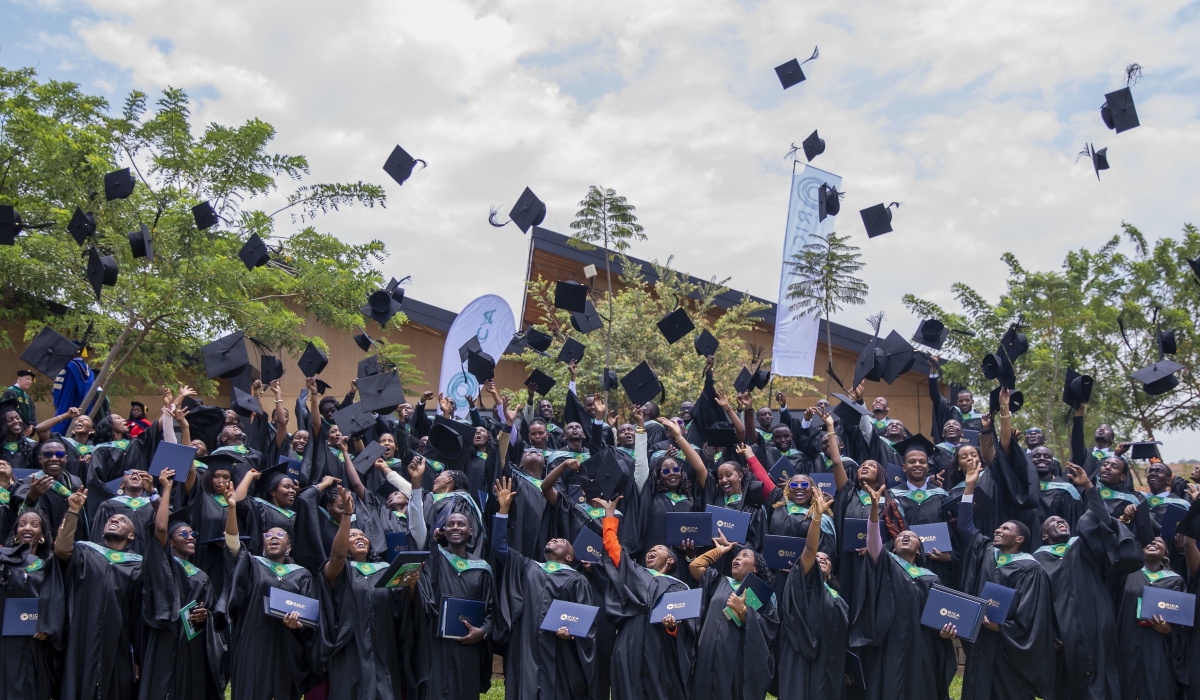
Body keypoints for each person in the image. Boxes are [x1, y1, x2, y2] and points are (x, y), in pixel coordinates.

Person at [1033, 463, 1142, 700]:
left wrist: (1089, 488)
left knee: (1103, 672)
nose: (1059, 520)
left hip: (1097, 619)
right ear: (1043, 535)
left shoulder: (1082, 547)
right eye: (1052, 521)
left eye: (1062, 519)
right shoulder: (1036, 561)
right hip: (1063, 630)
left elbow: (1103, 522)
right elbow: (1037, 603)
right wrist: (1049, 632)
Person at [957, 459, 1057, 700]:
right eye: (998, 528)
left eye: (1006, 529)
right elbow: (965, 527)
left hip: (1007, 646)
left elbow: (1032, 615)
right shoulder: (986, 550)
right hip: (981, 638)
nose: (998, 531)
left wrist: (1001, 627)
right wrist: (969, 488)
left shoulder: (1031, 569)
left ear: (1020, 539)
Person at [492, 475, 597, 699]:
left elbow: (584, 624)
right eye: (552, 540)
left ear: (570, 557)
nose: (554, 540)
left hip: (559, 649)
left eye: (561, 541)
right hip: (527, 642)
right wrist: (503, 510)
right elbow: (500, 548)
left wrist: (571, 634)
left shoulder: (578, 580)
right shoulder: (527, 566)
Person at [849, 483, 956, 700]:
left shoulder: (931, 578)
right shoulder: (887, 564)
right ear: (893, 546)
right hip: (890, 641)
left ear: (920, 549)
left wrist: (945, 633)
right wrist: (874, 510)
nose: (905, 537)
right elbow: (873, 544)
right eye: (900, 537)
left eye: (912, 537)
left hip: (923, 644)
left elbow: (941, 616)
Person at [592, 494, 696, 700]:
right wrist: (610, 516)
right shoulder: (636, 572)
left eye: (659, 549)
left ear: (670, 561)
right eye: (650, 549)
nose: (652, 550)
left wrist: (672, 627)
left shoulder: (678, 586)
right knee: (627, 686)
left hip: (661, 643)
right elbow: (614, 550)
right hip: (630, 636)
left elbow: (685, 629)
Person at [316, 486, 412, 700]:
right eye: (352, 536)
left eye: (363, 536)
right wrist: (348, 515)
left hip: (383, 647)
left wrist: (411, 585)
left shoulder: (385, 571)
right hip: (350, 646)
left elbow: (401, 609)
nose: (359, 537)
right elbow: (338, 555)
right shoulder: (339, 572)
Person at [139, 469, 227, 700]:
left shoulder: (202, 576)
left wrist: (204, 616)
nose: (191, 537)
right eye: (183, 533)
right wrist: (165, 488)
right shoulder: (163, 563)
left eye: (193, 533)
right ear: (170, 542)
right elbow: (159, 529)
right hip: (165, 638)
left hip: (192, 644)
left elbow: (212, 613)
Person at [54, 487, 145, 700]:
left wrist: (138, 655)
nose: (114, 520)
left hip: (120, 640)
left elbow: (139, 614)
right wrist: (73, 511)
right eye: (111, 519)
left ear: (132, 535)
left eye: (122, 520)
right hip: (81, 634)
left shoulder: (139, 565)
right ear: (102, 531)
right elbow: (61, 550)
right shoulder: (85, 551)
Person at [225, 494, 315, 700]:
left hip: (287, 645)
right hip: (253, 641)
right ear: (263, 546)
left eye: (280, 535)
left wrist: (299, 625)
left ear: (289, 546)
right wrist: (231, 509)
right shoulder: (252, 564)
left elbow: (309, 617)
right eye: (268, 536)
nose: (273, 537)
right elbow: (232, 544)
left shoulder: (302, 574)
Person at [410, 505, 497, 699]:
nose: (455, 527)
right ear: (444, 530)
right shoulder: (435, 558)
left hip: (468, 645)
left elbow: (491, 610)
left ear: (471, 531)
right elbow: (418, 533)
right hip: (435, 643)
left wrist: (482, 632)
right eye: (450, 524)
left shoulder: (482, 568)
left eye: (461, 524)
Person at [687, 530, 780, 700]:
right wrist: (720, 550)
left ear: (755, 568)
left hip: (735, 659)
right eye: (736, 556)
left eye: (744, 556)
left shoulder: (763, 595)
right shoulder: (719, 582)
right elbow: (695, 566)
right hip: (707, 654)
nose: (737, 558)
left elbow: (768, 630)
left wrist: (744, 611)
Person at [776, 486, 848, 700]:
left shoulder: (838, 597)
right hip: (802, 651)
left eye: (826, 559)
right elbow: (809, 549)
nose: (821, 559)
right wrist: (817, 516)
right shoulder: (805, 580)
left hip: (829, 659)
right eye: (817, 559)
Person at [0, 509, 65, 700]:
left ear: (42, 535)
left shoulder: (49, 564)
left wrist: (48, 627)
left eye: (34, 525)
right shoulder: (4, 562)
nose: (27, 527)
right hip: (7, 640)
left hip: (38, 639)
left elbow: (57, 597)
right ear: (16, 534)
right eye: (22, 524)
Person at [638, 417, 707, 553]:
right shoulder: (652, 497)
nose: (671, 473)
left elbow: (701, 470)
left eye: (676, 469)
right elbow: (642, 466)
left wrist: (690, 552)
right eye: (665, 471)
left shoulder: (692, 501)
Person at [15, 438, 88, 542]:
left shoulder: (75, 482)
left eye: (59, 454)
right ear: (40, 459)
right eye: (48, 454)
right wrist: (32, 497)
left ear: (66, 458)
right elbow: (19, 514)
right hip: (43, 545)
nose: (54, 458)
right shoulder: (28, 483)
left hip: (72, 543)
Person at [91, 469, 158, 555]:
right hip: (115, 561)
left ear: (145, 484)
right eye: (129, 473)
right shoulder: (108, 505)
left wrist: (153, 491)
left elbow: (165, 527)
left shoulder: (153, 505)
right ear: (121, 484)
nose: (135, 474)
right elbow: (98, 536)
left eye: (140, 474)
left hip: (148, 559)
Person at [928, 354, 983, 438]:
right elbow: (934, 395)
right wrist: (933, 369)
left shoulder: (981, 418)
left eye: (967, 400)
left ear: (972, 402)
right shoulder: (950, 411)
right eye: (961, 401)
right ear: (957, 402)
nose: (964, 403)